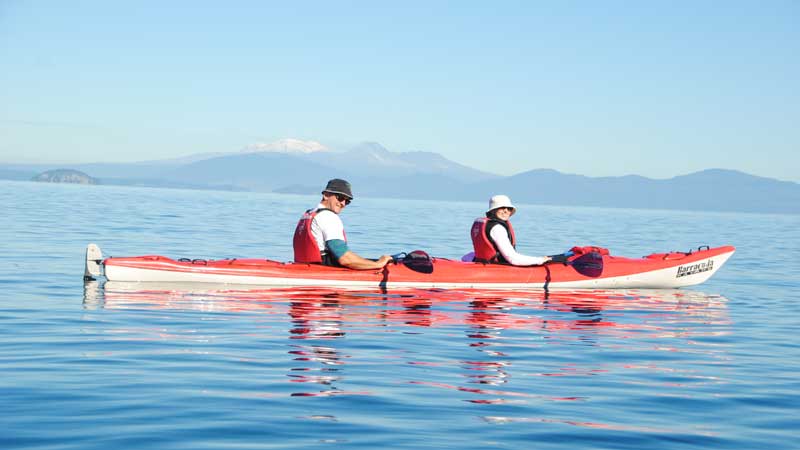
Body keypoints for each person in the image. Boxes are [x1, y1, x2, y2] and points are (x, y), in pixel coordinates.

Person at [293, 178, 393, 269]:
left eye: (347, 201)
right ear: (326, 195)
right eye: (340, 198)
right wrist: (379, 264)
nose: (343, 203)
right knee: (386, 264)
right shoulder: (329, 217)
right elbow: (345, 259)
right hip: (323, 268)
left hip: (305, 266)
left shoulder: (308, 214)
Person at [470, 194, 553, 266]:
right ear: (493, 210)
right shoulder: (497, 228)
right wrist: (539, 260)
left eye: (509, 208)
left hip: (484, 264)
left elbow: (471, 255)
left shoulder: (484, 224)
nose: (506, 211)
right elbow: (512, 258)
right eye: (502, 207)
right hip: (497, 267)